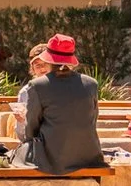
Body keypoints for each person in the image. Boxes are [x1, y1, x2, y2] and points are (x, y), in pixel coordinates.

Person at [22, 34, 108, 175]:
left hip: (53, 159)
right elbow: (92, 119)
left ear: (48, 58)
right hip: (89, 156)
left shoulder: (37, 85)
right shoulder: (91, 84)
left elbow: (31, 126)